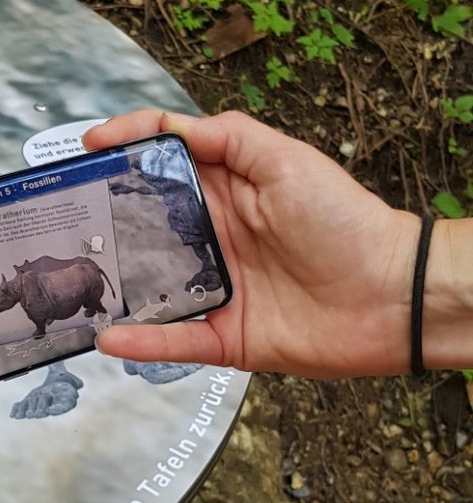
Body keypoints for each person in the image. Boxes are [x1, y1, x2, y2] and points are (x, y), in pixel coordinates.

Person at [82, 109, 473, 379]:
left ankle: (201, 264)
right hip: (178, 214)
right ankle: (201, 264)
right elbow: (153, 184)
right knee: (190, 241)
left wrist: (399, 268)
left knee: (193, 241)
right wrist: (400, 268)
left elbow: (158, 184)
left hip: (182, 212)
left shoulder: (169, 182)